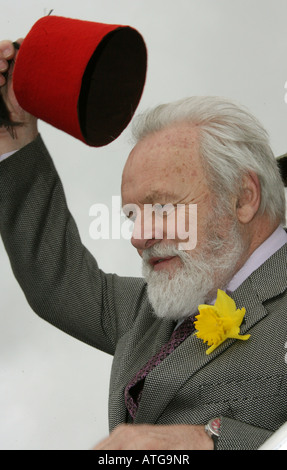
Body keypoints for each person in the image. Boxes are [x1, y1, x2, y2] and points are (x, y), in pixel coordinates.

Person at [0, 40, 287, 451]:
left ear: (243, 198)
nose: (138, 236)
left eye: (163, 207)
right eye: (133, 215)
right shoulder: (150, 309)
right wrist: (9, 133)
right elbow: (58, 281)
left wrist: (210, 442)